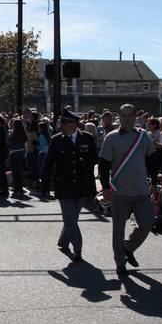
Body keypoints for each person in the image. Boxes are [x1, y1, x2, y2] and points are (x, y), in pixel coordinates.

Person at [98, 104, 159, 277]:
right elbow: (103, 165)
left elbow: (152, 159)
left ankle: (128, 247)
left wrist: (154, 181)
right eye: (123, 115)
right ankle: (120, 262)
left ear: (134, 117)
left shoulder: (143, 136)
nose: (126, 118)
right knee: (118, 229)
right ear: (119, 117)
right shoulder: (111, 137)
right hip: (119, 192)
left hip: (141, 191)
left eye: (130, 115)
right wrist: (106, 188)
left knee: (147, 223)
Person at [41, 110, 99, 262]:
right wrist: (44, 186)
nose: (60, 126)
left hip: (82, 185)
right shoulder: (56, 140)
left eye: (63, 123)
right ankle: (78, 249)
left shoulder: (87, 138)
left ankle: (63, 240)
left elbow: (94, 158)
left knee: (73, 218)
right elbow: (49, 163)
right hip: (64, 186)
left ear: (73, 124)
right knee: (70, 219)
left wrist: (84, 162)